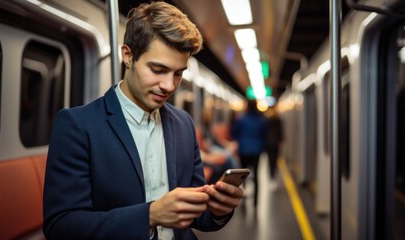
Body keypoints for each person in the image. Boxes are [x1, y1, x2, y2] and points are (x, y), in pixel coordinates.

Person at [43, 2, 244, 239]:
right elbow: (61, 227)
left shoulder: (183, 124)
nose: (169, 85)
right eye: (158, 69)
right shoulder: (78, 126)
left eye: (178, 73)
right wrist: (149, 215)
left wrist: (219, 209)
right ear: (128, 56)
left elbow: (198, 215)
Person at [231, 100, 268, 208]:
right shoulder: (261, 120)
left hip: (243, 150)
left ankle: (244, 195)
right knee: (256, 175)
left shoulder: (241, 120)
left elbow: (234, 134)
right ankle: (256, 202)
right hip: (256, 150)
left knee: (243, 175)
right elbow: (264, 135)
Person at [265, 106, 283, 190]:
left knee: (270, 160)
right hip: (275, 143)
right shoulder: (278, 119)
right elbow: (280, 132)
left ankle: (271, 177)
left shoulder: (266, 120)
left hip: (269, 143)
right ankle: (273, 177)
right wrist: (281, 140)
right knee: (274, 160)